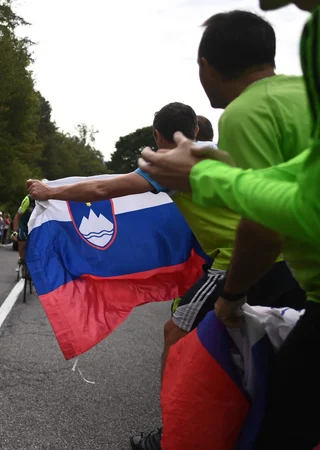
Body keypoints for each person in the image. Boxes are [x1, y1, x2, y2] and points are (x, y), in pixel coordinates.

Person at [28, 102, 304, 448]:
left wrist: (50, 192)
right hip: (286, 258)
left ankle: (172, 433)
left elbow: (101, 191)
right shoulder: (222, 152)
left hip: (238, 262)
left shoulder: (166, 166)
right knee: (278, 341)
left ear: (157, 135)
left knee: (175, 331)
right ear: (198, 131)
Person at [137, 1, 320, 447]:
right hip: (300, 281)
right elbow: (302, 178)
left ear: (205, 66)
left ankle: (174, 433)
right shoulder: (304, 89)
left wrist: (232, 295)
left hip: (278, 274)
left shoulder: (243, 112)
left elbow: (263, 223)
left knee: (281, 423)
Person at [13, 195, 35, 272]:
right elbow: (18, 216)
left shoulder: (45, 200)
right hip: (24, 223)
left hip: (35, 224)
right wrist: (15, 231)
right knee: (22, 242)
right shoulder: (28, 199)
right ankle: (21, 259)